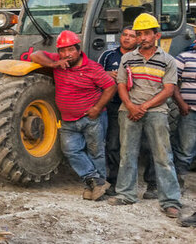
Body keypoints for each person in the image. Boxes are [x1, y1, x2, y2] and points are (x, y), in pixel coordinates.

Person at [108, 13, 182, 218]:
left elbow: (168, 90)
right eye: (139, 34)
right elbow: (120, 84)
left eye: (146, 34)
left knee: (163, 157)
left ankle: (170, 201)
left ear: (156, 35)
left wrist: (144, 107)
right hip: (129, 112)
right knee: (127, 154)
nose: (142, 38)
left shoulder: (167, 61)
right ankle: (126, 194)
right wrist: (131, 106)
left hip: (156, 112)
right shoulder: (127, 58)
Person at [29, 30, 115, 200]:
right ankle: (96, 182)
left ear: (78, 49)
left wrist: (97, 108)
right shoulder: (58, 61)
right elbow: (36, 54)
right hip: (68, 120)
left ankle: (96, 187)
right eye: (62, 50)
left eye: (70, 50)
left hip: (92, 118)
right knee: (70, 151)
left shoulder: (92, 68)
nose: (66, 54)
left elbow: (110, 86)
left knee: (96, 152)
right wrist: (54, 64)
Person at [97, 26, 154, 193]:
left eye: (131, 36)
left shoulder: (143, 56)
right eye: (124, 35)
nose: (127, 38)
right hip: (115, 106)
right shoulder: (108, 56)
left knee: (147, 144)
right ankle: (115, 182)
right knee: (114, 144)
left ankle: (152, 184)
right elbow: (95, 75)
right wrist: (106, 74)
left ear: (138, 39)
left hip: (141, 106)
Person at [173, 46, 196, 227]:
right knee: (185, 150)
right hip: (191, 112)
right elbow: (172, 82)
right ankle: (177, 186)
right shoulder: (184, 57)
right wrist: (181, 103)